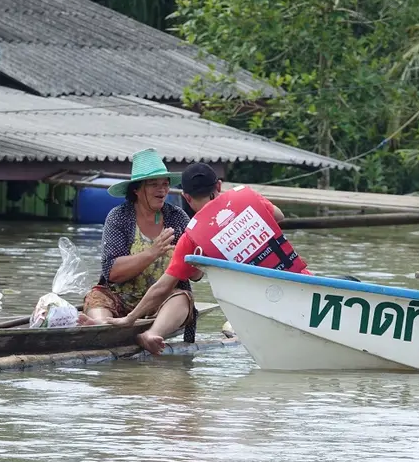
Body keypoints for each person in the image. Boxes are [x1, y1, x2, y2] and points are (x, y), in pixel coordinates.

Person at [107, 162, 311, 354]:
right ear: (219, 186)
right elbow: (278, 215)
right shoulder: (247, 196)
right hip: (301, 284)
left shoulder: (191, 237)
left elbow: (162, 287)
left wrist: (130, 319)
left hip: (260, 304)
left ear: (187, 197)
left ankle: (151, 333)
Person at [80, 148, 197, 341]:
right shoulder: (119, 217)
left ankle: (152, 335)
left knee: (182, 299)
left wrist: (189, 259)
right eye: (153, 184)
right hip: (119, 297)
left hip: (162, 300)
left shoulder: (177, 218)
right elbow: (112, 272)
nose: (162, 190)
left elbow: (197, 275)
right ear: (136, 189)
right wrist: (153, 252)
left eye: (165, 184)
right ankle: (101, 326)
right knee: (96, 298)